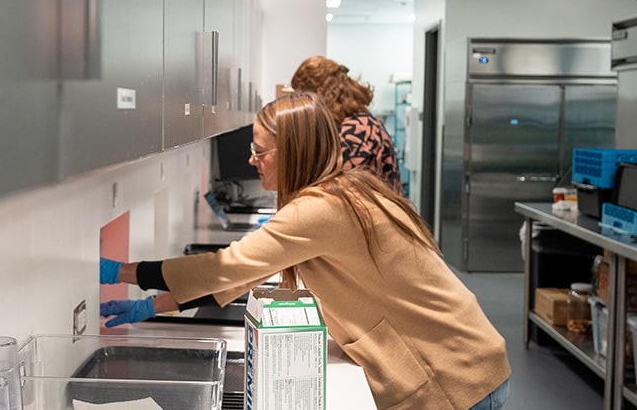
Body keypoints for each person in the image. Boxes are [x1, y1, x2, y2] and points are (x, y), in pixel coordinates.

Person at [99, 92, 511, 410]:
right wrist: (152, 307)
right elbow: (244, 275)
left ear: (292, 151)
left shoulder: (320, 209)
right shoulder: (343, 190)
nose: (251, 159)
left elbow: (226, 267)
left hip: (452, 373)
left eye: (260, 150)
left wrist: (121, 272)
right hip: (466, 357)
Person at [289, 55, 403, 194]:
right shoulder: (359, 123)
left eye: (303, 98)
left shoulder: (357, 132)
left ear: (320, 93)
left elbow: (339, 193)